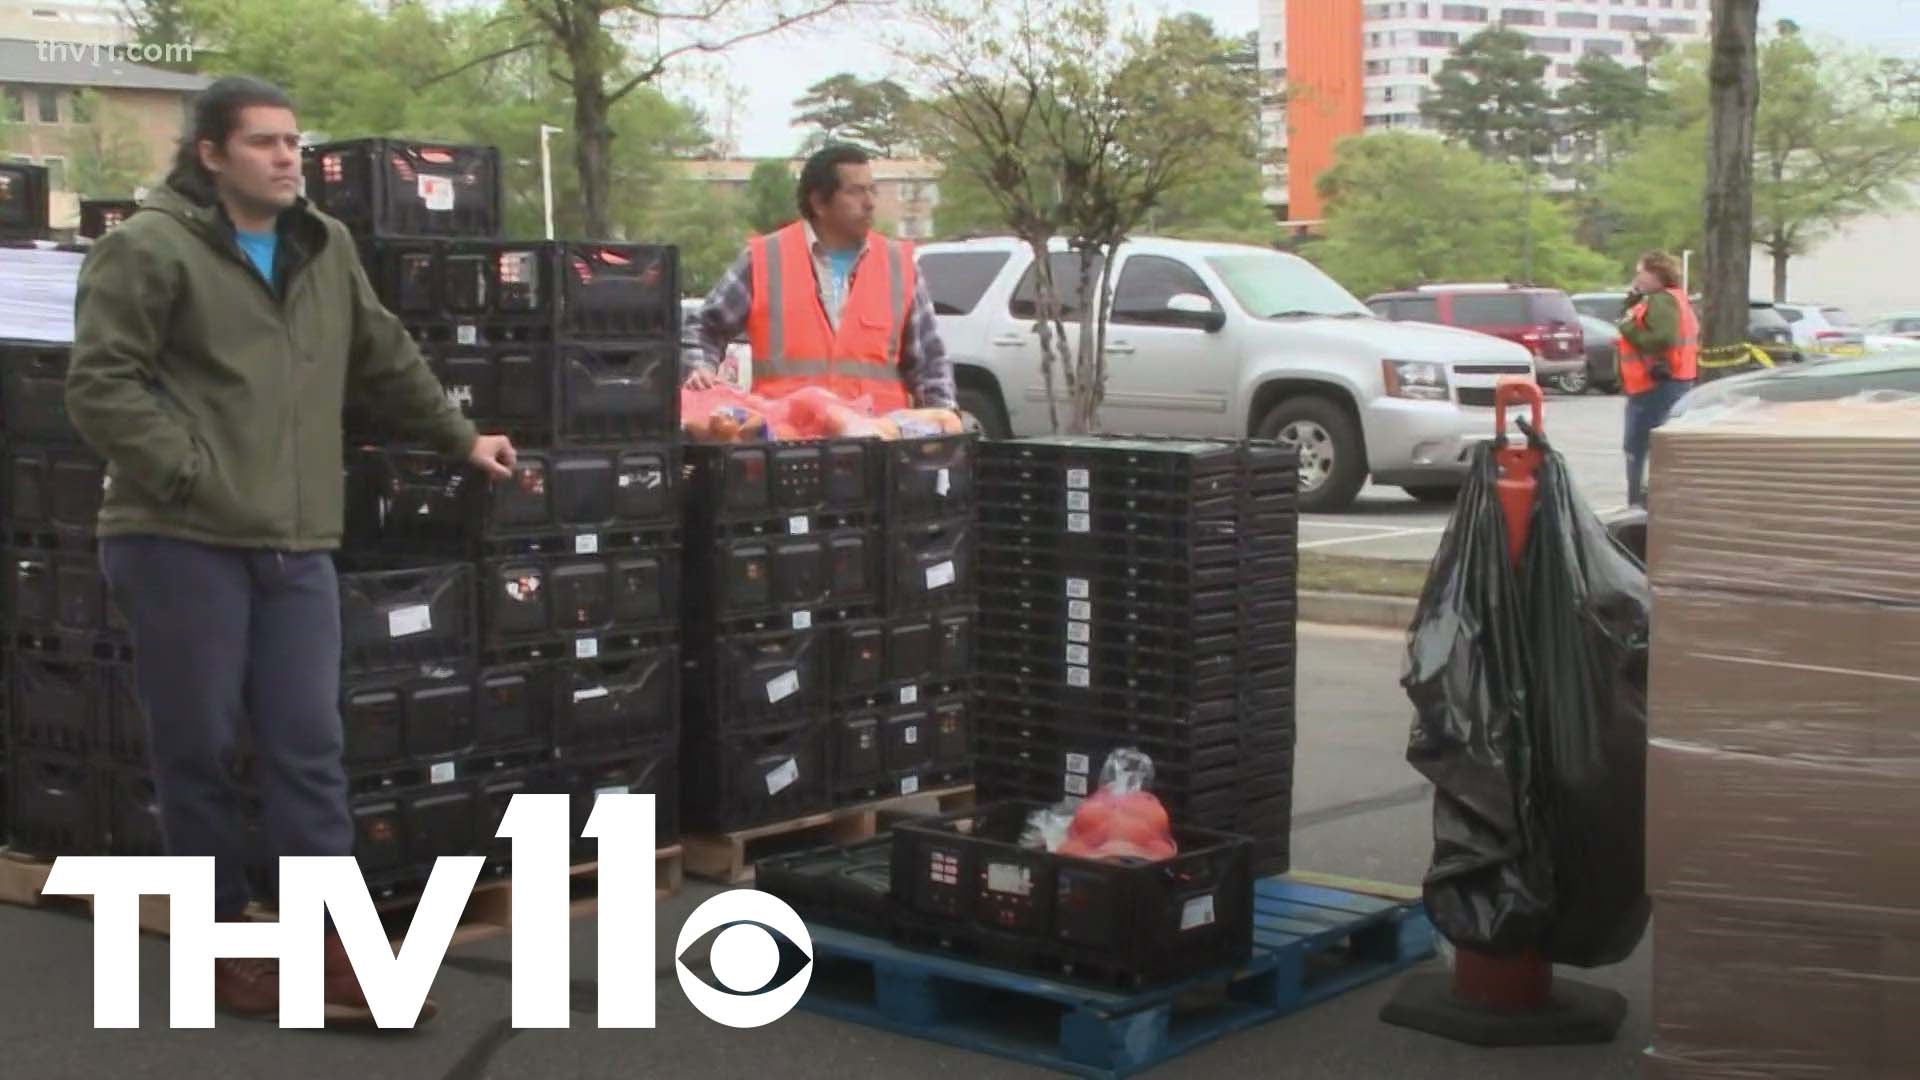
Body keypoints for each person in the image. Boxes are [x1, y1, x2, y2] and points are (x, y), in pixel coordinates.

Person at [64, 76, 516, 1026]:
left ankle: (331, 953)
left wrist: (459, 438)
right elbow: (101, 388)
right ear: (211, 155)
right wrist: (191, 474)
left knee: (309, 747)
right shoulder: (147, 249)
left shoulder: (324, 244)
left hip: (298, 543)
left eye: (294, 143)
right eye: (264, 143)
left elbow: (381, 351)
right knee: (200, 751)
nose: (286, 158)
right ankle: (221, 951)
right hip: (178, 540)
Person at [686, 144, 956, 411]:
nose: (870, 203)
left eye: (871, 190)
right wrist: (702, 370)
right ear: (819, 203)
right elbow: (704, 327)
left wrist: (942, 422)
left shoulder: (899, 265)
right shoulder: (764, 259)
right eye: (855, 192)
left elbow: (930, 362)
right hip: (789, 444)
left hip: (878, 442)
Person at [1616, 250, 1699, 507]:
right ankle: (1654, 500)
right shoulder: (1675, 299)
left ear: (1656, 274)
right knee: (1658, 446)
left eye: (1641, 271)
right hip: (1670, 382)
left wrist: (1627, 327)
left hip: (1653, 385)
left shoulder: (1661, 301)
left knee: (1637, 447)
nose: (1637, 276)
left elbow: (1662, 338)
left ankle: (1638, 503)